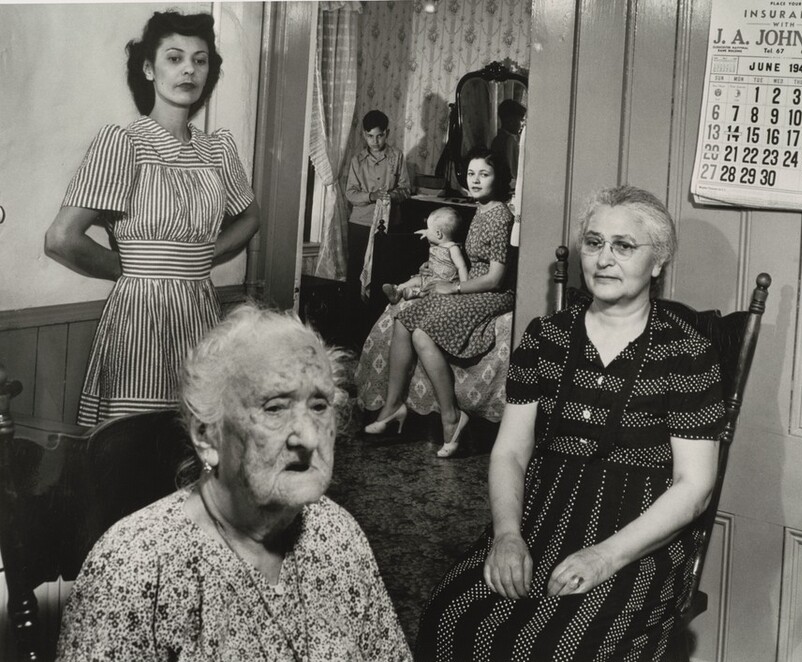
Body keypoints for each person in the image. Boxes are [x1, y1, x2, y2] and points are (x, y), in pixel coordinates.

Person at [415, 185, 726, 660]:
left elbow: (694, 486)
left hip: (635, 540)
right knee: (450, 618)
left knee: (562, 648)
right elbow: (512, 450)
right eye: (595, 242)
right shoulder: (547, 338)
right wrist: (506, 535)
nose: (604, 259)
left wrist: (604, 557)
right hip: (539, 519)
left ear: (658, 261)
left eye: (624, 246)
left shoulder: (686, 354)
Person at [56, 303, 411, 661]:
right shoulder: (133, 567)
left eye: (319, 406)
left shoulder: (338, 534)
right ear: (208, 438)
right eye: (275, 408)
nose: (308, 437)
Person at [44, 11, 259, 426]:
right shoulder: (124, 143)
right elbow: (61, 238)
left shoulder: (217, 150)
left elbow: (250, 218)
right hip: (140, 318)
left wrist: (199, 259)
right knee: (136, 448)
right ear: (148, 68)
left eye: (200, 60)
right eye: (174, 58)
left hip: (200, 312)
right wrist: (136, 269)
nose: (189, 70)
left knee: (197, 439)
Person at [361, 146, 515, 458]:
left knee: (422, 331)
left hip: (489, 294)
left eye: (483, 174)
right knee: (405, 318)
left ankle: (451, 416)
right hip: (471, 286)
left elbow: (495, 278)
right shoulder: (481, 210)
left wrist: (453, 288)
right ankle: (392, 409)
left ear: (497, 178)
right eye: (471, 174)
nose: (475, 180)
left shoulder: (500, 216)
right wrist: (436, 279)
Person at [344, 109, 412, 292]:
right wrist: (371, 196)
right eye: (370, 136)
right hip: (360, 225)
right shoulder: (357, 161)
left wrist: (392, 195)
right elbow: (350, 193)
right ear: (364, 135)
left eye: (380, 136)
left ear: (387, 133)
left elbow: (406, 188)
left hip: (389, 224)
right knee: (356, 271)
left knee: (385, 272)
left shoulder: (397, 156)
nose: (375, 141)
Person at [381, 207, 468, 304]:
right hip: (431, 277)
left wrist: (464, 286)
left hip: (445, 282)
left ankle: (415, 293)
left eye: (428, 229)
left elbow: (462, 267)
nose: (426, 231)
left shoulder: (452, 248)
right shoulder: (437, 244)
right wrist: (427, 233)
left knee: (433, 290)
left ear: (438, 234)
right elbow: (439, 254)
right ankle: (399, 290)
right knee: (416, 280)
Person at [490, 98, 526, 187]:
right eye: (520, 120)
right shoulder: (510, 140)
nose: (522, 124)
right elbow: (512, 170)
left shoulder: (498, 138)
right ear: (511, 121)